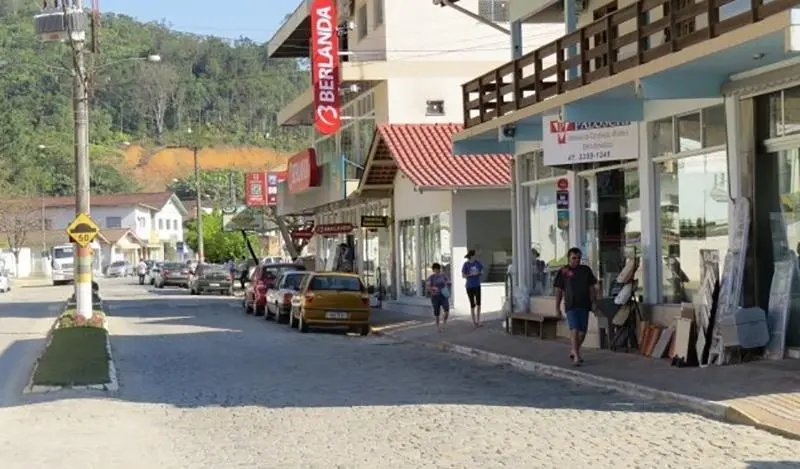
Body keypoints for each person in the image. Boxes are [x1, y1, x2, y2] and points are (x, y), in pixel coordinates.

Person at [554, 247, 599, 366]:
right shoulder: (564, 271)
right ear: (568, 258)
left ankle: (574, 350)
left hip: (584, 304)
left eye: (578, 258)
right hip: (571, 305)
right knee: (574, 329)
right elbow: (558, 290)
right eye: (574, 258)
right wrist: (557, 308)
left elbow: (592, 287)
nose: (576, 260)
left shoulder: (585, 270)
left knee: (582, 332)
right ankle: (577, 357)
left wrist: (594, 302)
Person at [426, 263, 451, 333]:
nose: (437, 271)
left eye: (438, 269)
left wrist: (447, 285)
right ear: (433, 270)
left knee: (447, 310)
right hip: (435, 297)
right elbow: (428, 286)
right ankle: (438, 327)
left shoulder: (443, 276)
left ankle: (444, 322)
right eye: (435, 269)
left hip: (443, 296)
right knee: (437, 313)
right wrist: (432, 290)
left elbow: (448, 282)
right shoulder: (431, 277)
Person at [462, 249, 484, 327]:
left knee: (478, 303)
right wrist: (470, 275)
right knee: (472, 304)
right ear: (471, 256)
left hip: (477, 285)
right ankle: (473, 322)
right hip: (469, 286)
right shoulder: (466, 264)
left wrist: (479, 273)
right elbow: (463, 275)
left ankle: (478, 321)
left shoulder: (478, 263)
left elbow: (482, 271)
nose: (476, 256)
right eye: (475, 255)